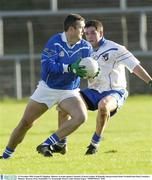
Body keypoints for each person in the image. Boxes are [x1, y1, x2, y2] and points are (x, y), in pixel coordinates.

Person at [50, 19, 152, 155]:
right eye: (86, 33)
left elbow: (135, 67)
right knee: (63, 105)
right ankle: (61, 143)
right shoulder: (84, 50)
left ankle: (94, 143)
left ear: (101, 33)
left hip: (115, 91)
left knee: (103, 106)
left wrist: (150, 82)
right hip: (93, 91)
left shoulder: (116, 48)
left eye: (93, 33)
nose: (89, 36)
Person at [0, 14, 93, 159]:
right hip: (48, 88)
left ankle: (48, 143)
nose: (84, 32)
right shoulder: (55, 42)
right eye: (81, 28)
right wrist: (70, 68)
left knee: (81, 117)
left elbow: (86, 69)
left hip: (69, 91)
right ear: (71, 29)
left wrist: (91, 73)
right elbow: (47, 67)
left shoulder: (86, 47)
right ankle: (6, 155)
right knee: (26, 123)